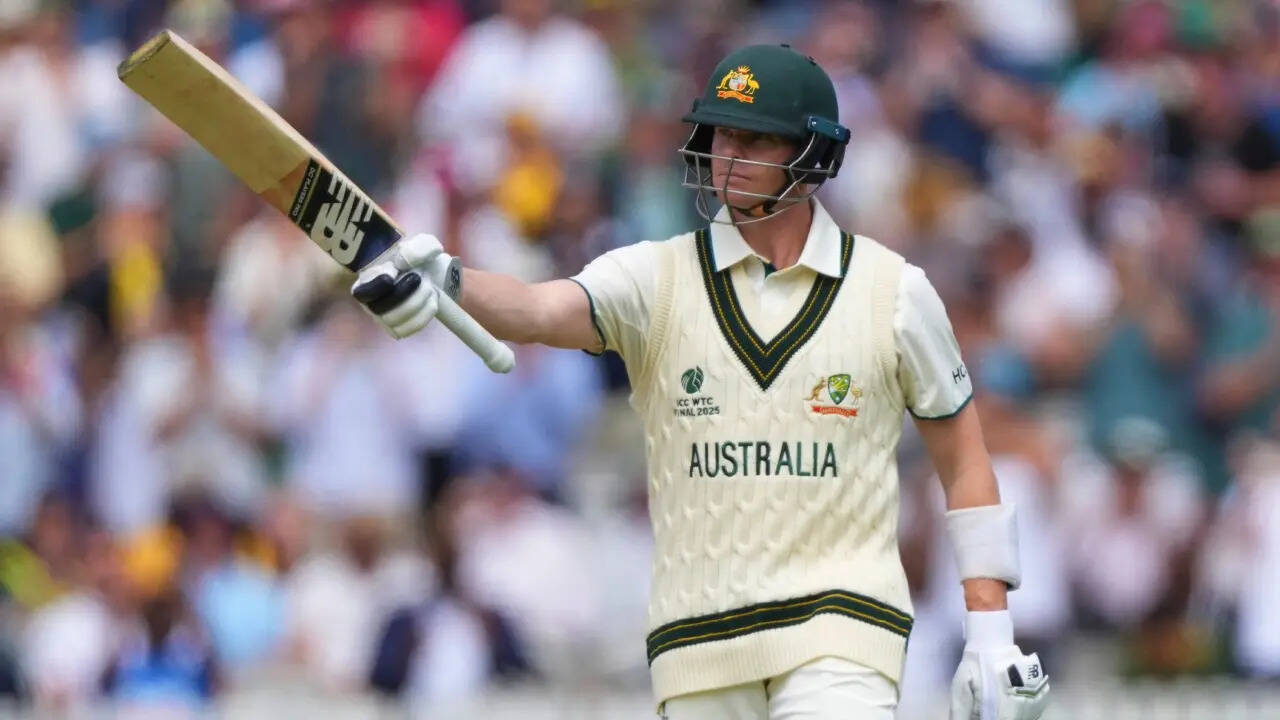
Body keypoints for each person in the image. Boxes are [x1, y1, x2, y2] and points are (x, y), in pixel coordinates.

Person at [351, 44, 1049, 720]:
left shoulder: (892, 291)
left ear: (812, 153)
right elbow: (536, 309)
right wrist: (449, 280)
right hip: (699, 642)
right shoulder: (654, 278)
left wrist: (990, 635)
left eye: (754, 140)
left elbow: (965, 463)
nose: (727, 158)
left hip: (842, 633)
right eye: (720, 136)